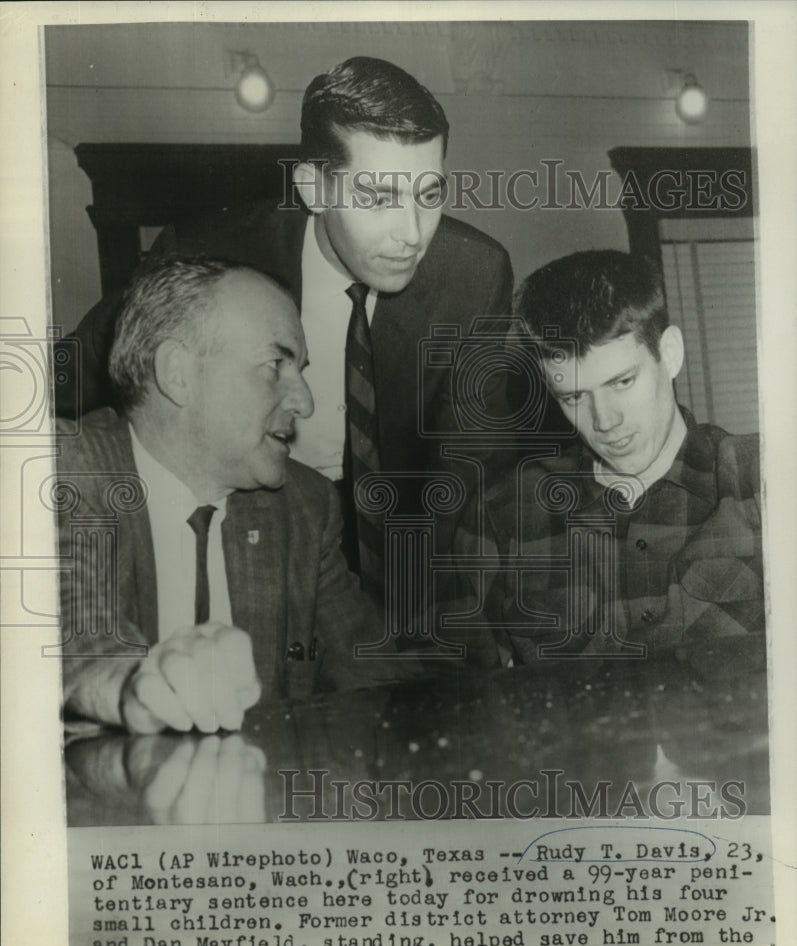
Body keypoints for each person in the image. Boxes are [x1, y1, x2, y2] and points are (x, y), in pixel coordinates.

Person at [55, 56, 555, 596]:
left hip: (408, 549)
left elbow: (474, 461)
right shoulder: (204, 257)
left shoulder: (473, 272)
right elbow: (68, 387)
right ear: (314, 188)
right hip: (251, 535)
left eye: (429, 195)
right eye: (378, 197)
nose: (411, 233)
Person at [56, 257, 404, 735]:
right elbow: (67, 624)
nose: (305, 402)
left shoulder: (305, 506)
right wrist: (135, 684)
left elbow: (381, 687)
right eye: (275, 365)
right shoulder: (63, 468)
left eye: (300, 371)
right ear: (177, 373)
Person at [446, 250, 763, 668]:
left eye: (623, 382)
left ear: (669, 353)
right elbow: (473, 701)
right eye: (574, 397)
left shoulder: (764, 479)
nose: (605, 420)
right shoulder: (500, 514)